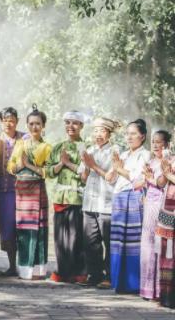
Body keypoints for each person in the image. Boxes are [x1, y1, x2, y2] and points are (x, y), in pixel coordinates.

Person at [7, 105, 52, 280]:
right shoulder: (20, 144)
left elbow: (49, 172)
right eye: (31, 124)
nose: (34, 127)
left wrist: (29, 165)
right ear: (26, 125)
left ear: (43, 126)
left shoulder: (47, 147)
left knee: (38, 230)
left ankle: (38, 270)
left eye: (38, 124)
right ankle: (24, 269)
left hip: (37, 192)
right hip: (22, 194)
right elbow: (10, 166)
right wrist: (19, 166)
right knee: (23, 230)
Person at [107, 119, 151, 294]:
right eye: (127, 134)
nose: (129, 137)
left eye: (133, 133)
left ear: (142, 136)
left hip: (134, 199)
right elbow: (110, 179)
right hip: (119, 200)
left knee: (133, 242)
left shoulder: (145, 155)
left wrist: (120, 170)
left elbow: (139, 180)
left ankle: (133, 284)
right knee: (118, 242)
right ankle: (118, 282)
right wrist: (113, 168)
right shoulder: (124, 155)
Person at [44, 111, 87, 283]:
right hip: (60, 197)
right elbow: (47, 172)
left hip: (77, 197)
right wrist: (61, 163)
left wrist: (68, 163)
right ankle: (62, 271)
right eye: (68, 122)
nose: (71, 126)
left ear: (82, 126)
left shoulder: (86, 147)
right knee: (60, 237)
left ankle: (78, 272)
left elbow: (85, 173)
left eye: (75, 123)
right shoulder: (57, 147)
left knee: (76, 237)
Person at [78, 117, 120, 288]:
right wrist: (86, 166)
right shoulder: (90, 150)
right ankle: (94, 274)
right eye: (95, 131)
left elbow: (111, 178)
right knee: (90, 241)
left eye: (102, 131)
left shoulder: (115, 152)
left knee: (108, 242)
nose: (98, 134)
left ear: (109, 134)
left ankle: (109, 276)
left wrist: (93, 165)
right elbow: (83, 178)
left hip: (106, 204)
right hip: (89, 202)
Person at [0, 107, 25, 276]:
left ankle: (27, 266)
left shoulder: (25, 138)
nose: (8, 124)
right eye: (5, 121)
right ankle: (12, 266)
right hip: (4, 191)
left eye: (11, 120)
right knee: (8, 228)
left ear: (17, 121)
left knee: (25, 227)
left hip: (25, 191)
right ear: (1, 122)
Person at [139, 130, 169, 300]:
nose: (156, 145)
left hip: (163, 207)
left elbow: (161, 182)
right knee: (147, 245)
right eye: (154, 142)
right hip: (149, 205)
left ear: (167, 144)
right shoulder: (151, 161)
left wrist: (150, 179)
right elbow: (146, 182)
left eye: (160, 142)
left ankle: (159, 289)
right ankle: (147, 288)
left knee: (160, 245)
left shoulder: (169, 161)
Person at [157, 152, 175, 307]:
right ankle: (167, 296)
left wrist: (170, 176)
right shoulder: (171, 158)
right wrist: (164, 173)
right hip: (168, 213)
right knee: (167, 256)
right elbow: (160, 183)